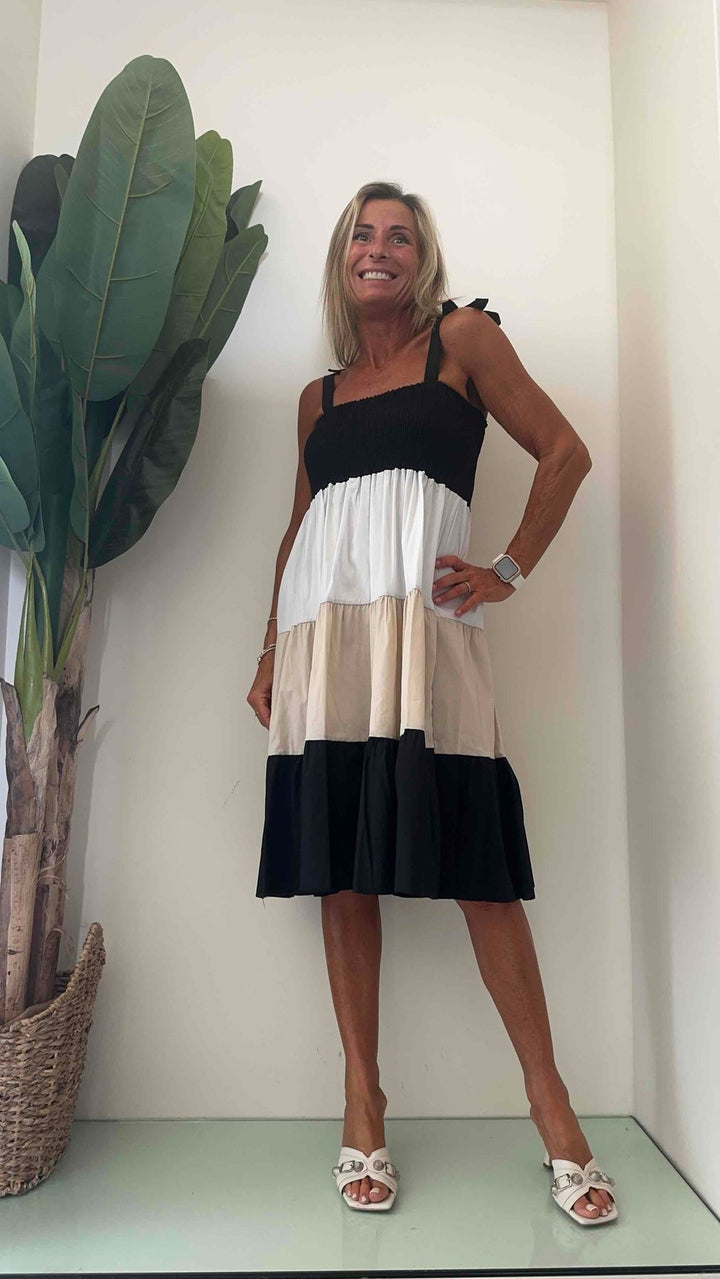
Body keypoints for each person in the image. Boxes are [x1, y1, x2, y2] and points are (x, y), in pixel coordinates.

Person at [246, 181, 618, 1226]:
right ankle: (362, 1103)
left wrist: (508, 568)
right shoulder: (317, 399)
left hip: (426, 633)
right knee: (340, 865)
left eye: (399, 236)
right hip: (324, 640)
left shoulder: (461, 341)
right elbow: (300, 528)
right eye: (362, 234)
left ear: (423, 258)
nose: (380, 248)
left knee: (480, 867)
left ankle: (555, 1113)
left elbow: (567, 452)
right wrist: (269, 647)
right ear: (342, 259)